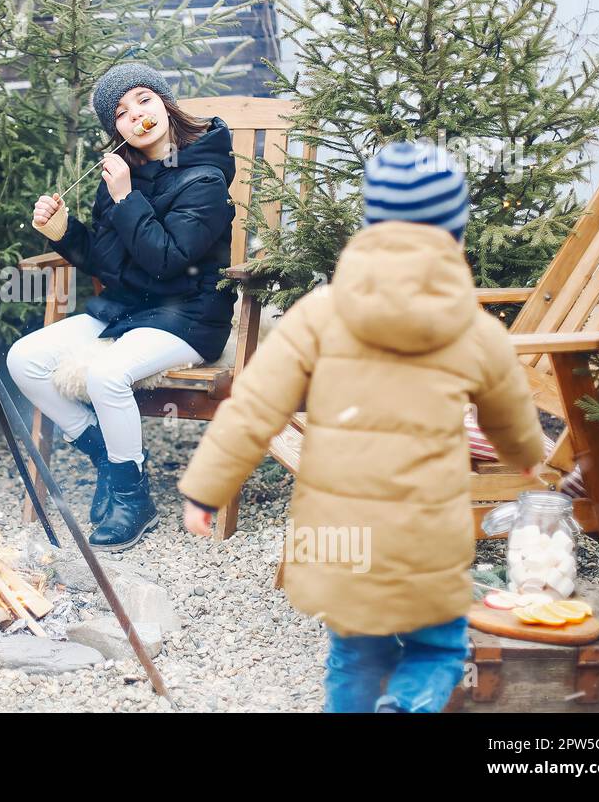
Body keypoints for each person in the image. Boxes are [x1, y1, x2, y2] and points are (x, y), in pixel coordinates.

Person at [178, 141, 546, 713]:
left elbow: (253, 407)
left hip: (341, 541)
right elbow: (510, 413)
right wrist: (525, 457)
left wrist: (205, 490)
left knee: (355, 657)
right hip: (427, 537)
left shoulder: (320, 314)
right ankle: (406, 705)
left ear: (371, 226)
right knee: (438, 651)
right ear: (456, 234)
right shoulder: (474, 329)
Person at [8, 62, 238, 551]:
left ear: (164, 102)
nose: (136, 115)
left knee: (105, 374)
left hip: (190, 316)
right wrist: (64, 231)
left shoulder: (205, 178)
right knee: (22, 360)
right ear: (115, 129)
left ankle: (133, 497)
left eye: (143, 100)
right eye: (120, 112)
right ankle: (110, 461)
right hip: (129, 310)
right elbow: (110, 265)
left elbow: (168, 262)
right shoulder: (120, 175)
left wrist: (126, 198)